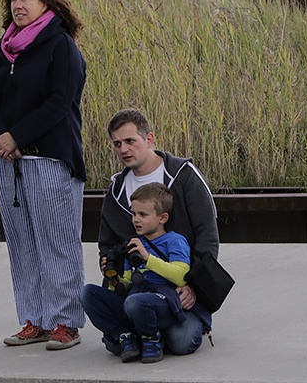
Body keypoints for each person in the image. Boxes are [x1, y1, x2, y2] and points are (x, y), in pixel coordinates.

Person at [0, 0, 87, 350]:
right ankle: (34, 319)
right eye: (13, 0)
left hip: (51, 160)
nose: (18, 5)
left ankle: (65, 322)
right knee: (22, 245)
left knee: (58, 243)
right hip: (10, 164)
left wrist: (18, 136)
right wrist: (0, 138)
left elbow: (60, 103)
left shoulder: (61, 46)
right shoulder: (2, 50)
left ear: (46, 3)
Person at [85, 109, 219, 356]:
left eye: (130, 141)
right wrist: (109, 267)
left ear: (149, 139)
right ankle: (141, 333)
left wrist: (194, 287)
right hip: (134, 288)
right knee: (113, 340)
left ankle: (150, 332)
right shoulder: (116, 190)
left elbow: (208, 236)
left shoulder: (183, 175)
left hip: (180, 290)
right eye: (117, 143)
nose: (123, 149)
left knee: (182, 341)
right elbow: (106, 244)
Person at [81, 183, 191, 363]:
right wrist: (113, 279)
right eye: (134, 214)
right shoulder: (133, 244)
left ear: (163, 217)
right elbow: (127, 283)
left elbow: (180, 275)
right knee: (88, 293)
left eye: (143, 215)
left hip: (162, 300)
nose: (136, 220)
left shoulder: (174, 240)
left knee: (134, 301)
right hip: (135, 299)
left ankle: (151, 337)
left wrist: (147, 258)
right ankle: (124, 335)